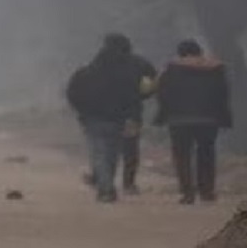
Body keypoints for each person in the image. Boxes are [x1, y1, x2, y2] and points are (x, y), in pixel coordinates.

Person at [67, 34, 142, 203]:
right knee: (112, 155)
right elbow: (134, 98)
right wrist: (133, 117)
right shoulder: (127, 75)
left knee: (99, 154)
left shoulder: (87, 72)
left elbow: (73, 93)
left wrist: (81, 111)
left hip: (92, 119)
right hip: (117, 120)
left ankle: (106, 188)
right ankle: (107, 185)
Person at [155, 39, 232, 204]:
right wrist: (223, 117)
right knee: (207, 153)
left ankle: (187, 192)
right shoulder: (215, 69)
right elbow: (222, 95)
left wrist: (164, 114)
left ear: (180, 53)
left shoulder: (170, 69)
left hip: (178, 119)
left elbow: (162, 93)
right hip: (208, 119)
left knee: (182, 155)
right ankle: (207, 191)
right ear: (199, 52)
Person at [121, 52, 158, 195]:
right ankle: (128, 183)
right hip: (131, 112)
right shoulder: (140, 64)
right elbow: (152, 82)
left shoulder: (101, 63)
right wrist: (141, 95)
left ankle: (103, 179)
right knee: (130, 148)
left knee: (105, 147)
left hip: (105, 115)